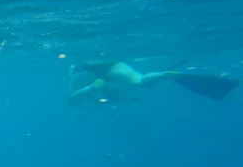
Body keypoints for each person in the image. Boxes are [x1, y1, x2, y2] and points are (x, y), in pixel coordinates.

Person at [67, 61, 239, 105]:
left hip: (102, 72)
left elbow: (72, 101)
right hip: (115, 64)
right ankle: (163, 75)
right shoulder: (81, 70)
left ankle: (164, 75)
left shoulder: (77, 76)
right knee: (140, 80)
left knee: (140, 82)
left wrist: (97, 90)